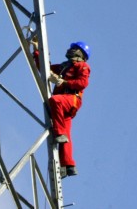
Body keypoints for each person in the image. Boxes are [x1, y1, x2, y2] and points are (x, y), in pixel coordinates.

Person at [32, 40, 91, 178]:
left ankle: (59, 133)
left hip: (71, 99)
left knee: (55, 100)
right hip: (64, 104)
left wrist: (64, 83)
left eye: (74, 48)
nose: (71, 50)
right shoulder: (64, 67)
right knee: (66, 135)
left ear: (80, 53)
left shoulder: (82, 66)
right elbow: (45, 69)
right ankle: (67, 165)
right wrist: (37, 51)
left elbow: (83, 83)